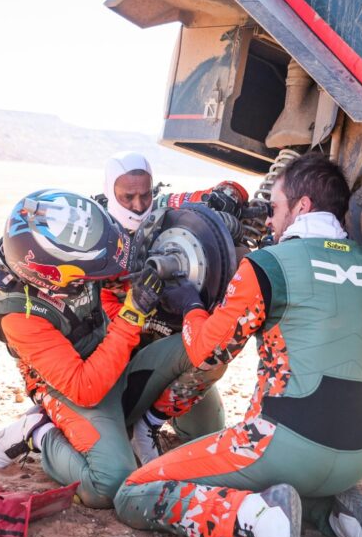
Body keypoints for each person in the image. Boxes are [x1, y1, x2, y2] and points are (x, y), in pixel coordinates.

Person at [112, 153, 362, 537]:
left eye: (276, 208)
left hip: (281, 445)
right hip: (356, 454)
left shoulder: (270, 265)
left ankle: (257, 516)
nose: (269, 221)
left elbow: (206, 352)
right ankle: (339, 511)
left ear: (301, 207)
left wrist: (191, 305)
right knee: (303, 460)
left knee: (132, 492)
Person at [0, 190, 226, 507]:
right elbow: (86, 388)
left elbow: (127, 255)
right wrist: (131, 315)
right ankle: (39, 433)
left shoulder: (73, 245)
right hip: (71, 391)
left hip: (115, 357)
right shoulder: (18, 315)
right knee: (109, 484)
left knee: (208, 359)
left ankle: (146, 424)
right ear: (55, 278)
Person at [94, 151, 250, 464]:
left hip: (172, 342)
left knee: (207, 433)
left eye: (145, 194)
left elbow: (229, 191)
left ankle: (150, 418)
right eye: (127, 197)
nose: (139, 205)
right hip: (120, 346)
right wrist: (137, 313)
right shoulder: (96, 228)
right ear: (111, 191)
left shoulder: (166, 206)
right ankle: (133, 420)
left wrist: (227, 199)